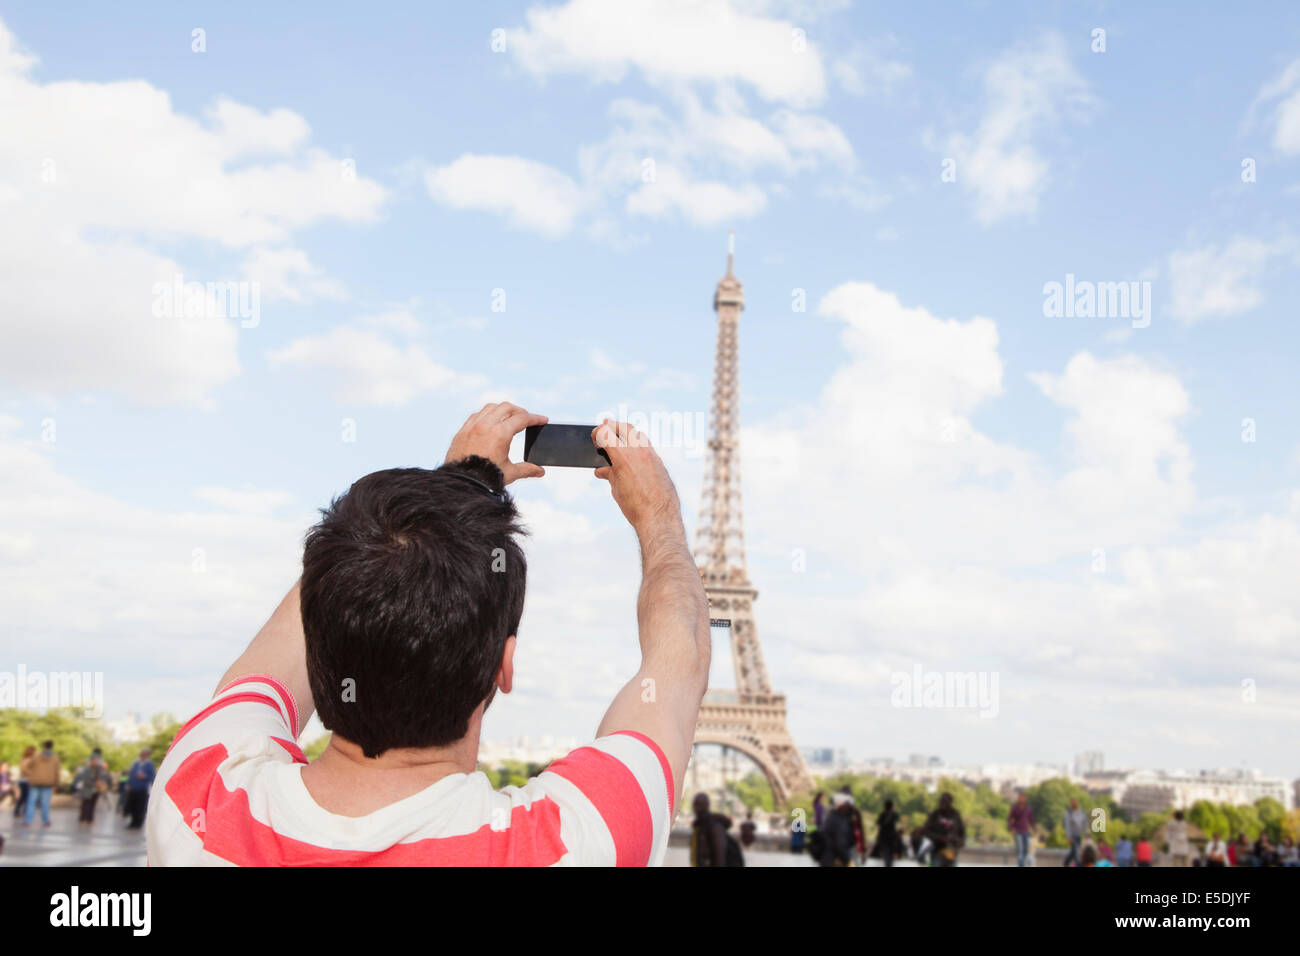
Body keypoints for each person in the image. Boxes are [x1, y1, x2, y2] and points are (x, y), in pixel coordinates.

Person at [146, 406, 709, 866]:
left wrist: (451, 491)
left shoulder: (194, 792)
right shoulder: (574, 842)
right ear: (503, 667)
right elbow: (678, 663)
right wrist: (658, 517)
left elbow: (308, 618)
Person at [22, 740, 59, 828]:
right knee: (45, 803)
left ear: (44, 746)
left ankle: (28, 820)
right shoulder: (55, 758)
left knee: (31, 802)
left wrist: (31, 775)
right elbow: (57, 772)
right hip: (48, 783)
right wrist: (56, 782)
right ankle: (45, 821)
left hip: (35, 782)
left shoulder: (36, 756)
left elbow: (26, 767)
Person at [690, 793, 733, 867]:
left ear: (707, 805)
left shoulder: (714, 826)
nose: (696, 808)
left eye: (700, 805)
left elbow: (720, 856)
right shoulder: (700, 826)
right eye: (695, 805)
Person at [924, 792, 965, 867]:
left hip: (951, 850)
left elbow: (961, 832)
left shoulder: (955, 815)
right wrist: (938, 838)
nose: (942, 804)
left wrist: (959, 841)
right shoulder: (935, 814)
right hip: (937, 849)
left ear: (950, 802)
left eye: (945, 802)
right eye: (941, 801)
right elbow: (926, 831)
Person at [72, 751, 113, 825]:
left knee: (93, 805)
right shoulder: (87, 769)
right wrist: (94, 783)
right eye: (94, 760)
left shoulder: (101, 769)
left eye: (97, 760)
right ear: (91, 761)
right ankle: (83, 818)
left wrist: (102, 783)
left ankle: (90, 819)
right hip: (87, 789)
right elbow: (85, 779)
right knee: (85, 804)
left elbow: (105, 777)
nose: (96, 762)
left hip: (96, 790)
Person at [817, 792, 856, 866]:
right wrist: (847, 859)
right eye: (846, 804)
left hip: (828, 858)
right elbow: (840, 843)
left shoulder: (833, 818)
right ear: (840, 805)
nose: (848, 806)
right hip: (833, 860)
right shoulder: (837, 821)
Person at [124, 748, 156, 829]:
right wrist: (128, 784)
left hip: (142, 789)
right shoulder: (136, 763)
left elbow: (152, 777)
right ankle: (133, 822)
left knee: (140, 807)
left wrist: (144, 776)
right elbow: (131, 774)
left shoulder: (150, 765)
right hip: (133, 787)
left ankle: (138, 823)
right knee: (132, 805)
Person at [1007, 790, 1035, 866]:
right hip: (1017, 831)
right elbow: (1009, 820)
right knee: (1020, 850)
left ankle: (1023, 864)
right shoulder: (1014, 807)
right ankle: (1021, 865)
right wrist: (1011, 828)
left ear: (1025, 799)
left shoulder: (1028, 808)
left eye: (1023, 798)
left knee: (1026, 851)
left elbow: (1031, 820)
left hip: (1026, 832)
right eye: (1020, 798)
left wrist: (1034, 829)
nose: (1021, 799)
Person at [874, 799, 902, 867]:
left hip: (884, 837)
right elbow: (898, 826)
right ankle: (889, 864)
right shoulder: (895, 815)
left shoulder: (882, 814)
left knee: (886, 853)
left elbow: (878, 823)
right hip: (892, 837)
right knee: (891, 853)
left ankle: (888, 863)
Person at [1062, 798, 1086, 866]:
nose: (1075, 804)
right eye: (1073, 802)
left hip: (1079, 836)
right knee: (1076, 855)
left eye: (1076, 802)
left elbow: (1084, 823)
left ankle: (1066, 863)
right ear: (1071, 804)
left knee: (1073, 852)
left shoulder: (1081, 812)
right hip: (1072, 836)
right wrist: (1069, 837)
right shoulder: (1068, 813)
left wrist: (1085, 833)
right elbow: (1067, 826)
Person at [13, 746, 35, 818]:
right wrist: (33, 774)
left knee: (24, 796)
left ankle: (20, 810)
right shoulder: (28, 760)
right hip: (26, 780)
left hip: (23, 780)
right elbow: (25, 770)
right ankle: (21, 810)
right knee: (26, 797)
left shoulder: (23, 760)